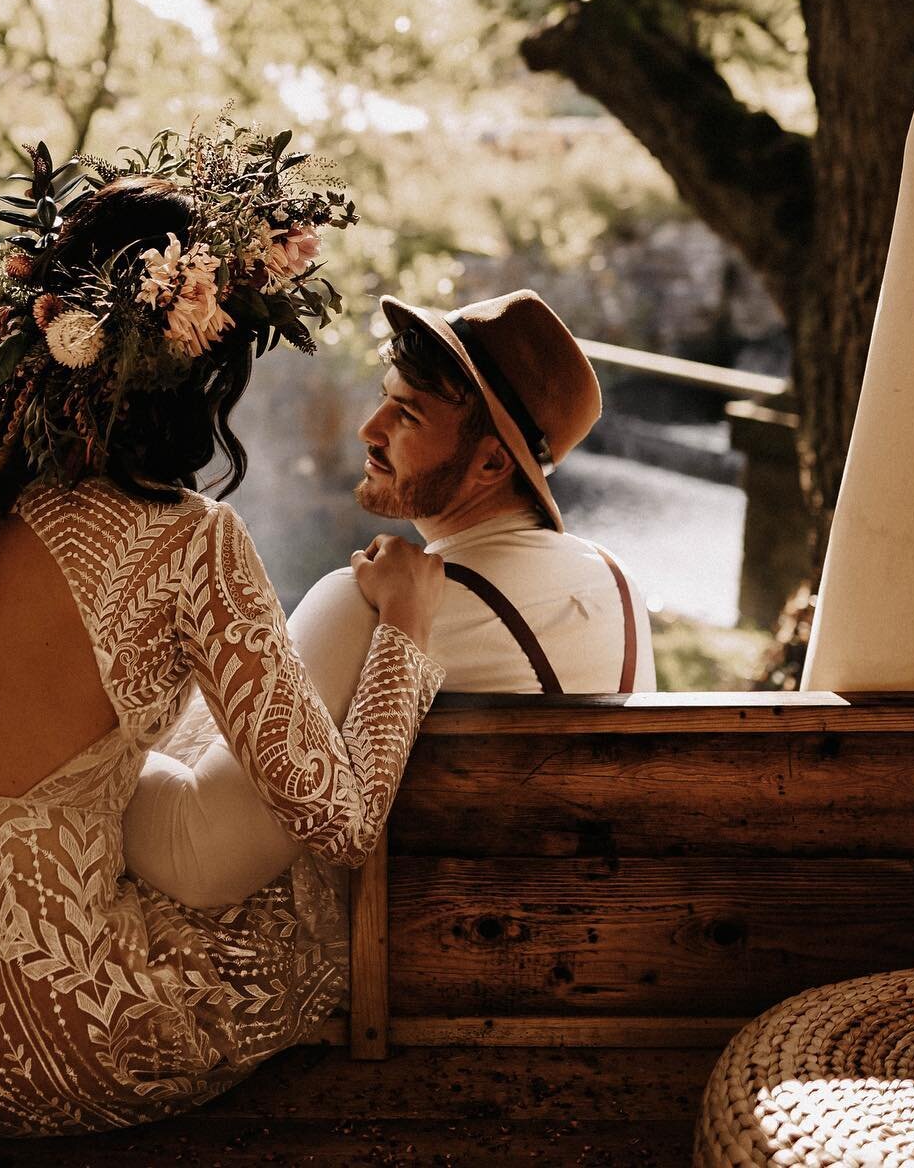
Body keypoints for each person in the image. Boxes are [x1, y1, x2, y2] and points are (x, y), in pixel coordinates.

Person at [0, 121, 445, 1137]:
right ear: (202, 360)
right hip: (59, 1046)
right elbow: (343, 825)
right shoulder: (189, 539)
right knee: (279, 907)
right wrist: (404, 638)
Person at [124, 288, 655, 910]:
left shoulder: (366, 606)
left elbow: (198, 857)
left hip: (408, 967)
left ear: (490, 464)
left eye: (407, 415)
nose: (368, 430)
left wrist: (86, 748)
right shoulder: (618, 583)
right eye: (385, 399)